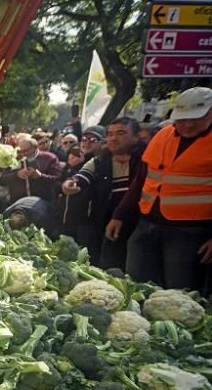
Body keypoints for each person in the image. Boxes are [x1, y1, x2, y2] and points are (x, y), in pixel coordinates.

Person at [107, 87, 212, 292]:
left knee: (180, 293)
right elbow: (141, 180)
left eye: (196, 118)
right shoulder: (163, 135)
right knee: (135, 287)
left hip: (189, 233)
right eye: (183, 119)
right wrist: (119, 215)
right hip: (147, 224)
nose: (188, 124)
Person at [61, 117, 145, 270]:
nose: (113, 138)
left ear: (136, 136)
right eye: (110, 134)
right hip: (106, 227)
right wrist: (70, 184)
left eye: (120, 133)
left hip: (139, 228)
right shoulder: (99, 161)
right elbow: (82, 176)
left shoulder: (146, 159)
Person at [0, 133, 63, 205]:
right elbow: (2, 179)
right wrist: (16, 174)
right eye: (21, 151)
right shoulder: (14, 159)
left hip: (42, 203)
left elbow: (58, 179)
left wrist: (40, 176)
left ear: (35, 147)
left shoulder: (49, 158)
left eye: (26, 150)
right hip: (18, 204)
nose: (23, 154)